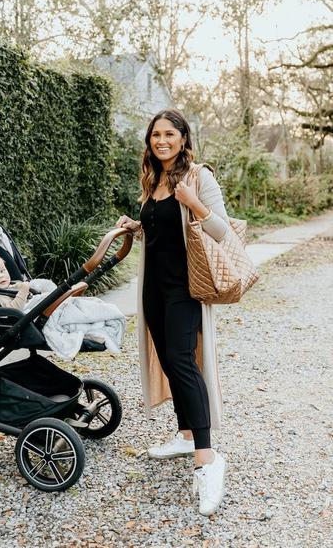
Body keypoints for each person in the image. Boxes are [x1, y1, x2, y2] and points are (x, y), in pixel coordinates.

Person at [115, 108, 230, 516]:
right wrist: (137, 226)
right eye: (155, 135)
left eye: (169, 134)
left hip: (185, 288)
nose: (161, 141)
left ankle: (207, 459)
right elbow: (162, 228)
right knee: (168, 359)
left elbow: (222, 230)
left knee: (183, 362)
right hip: (154, 289)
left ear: (183, 138)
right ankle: (184, 435)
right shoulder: (153, 179)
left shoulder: (198, 177)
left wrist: (194, 202)